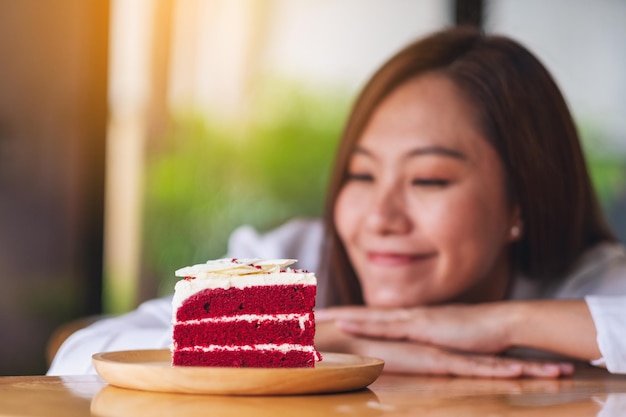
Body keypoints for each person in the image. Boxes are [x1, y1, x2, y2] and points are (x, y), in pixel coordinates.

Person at [47, 26, 626, 377]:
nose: (379, 218)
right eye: (361, 175)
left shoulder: (584, 277)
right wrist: (312, 334)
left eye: (428, 180)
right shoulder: (296, 257)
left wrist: (492, 325)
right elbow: (80, 357)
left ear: (522, 201)